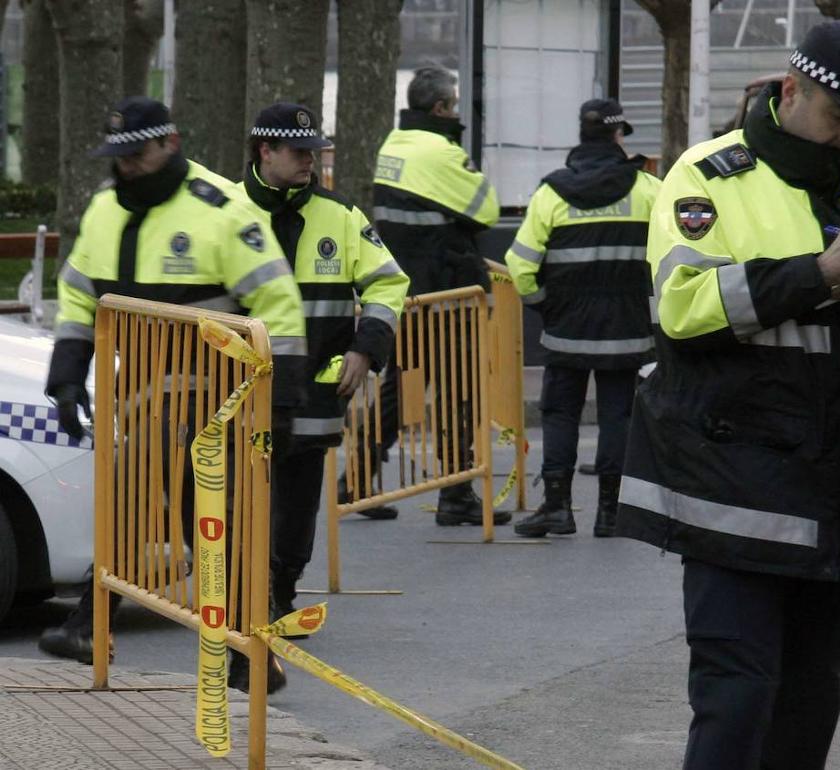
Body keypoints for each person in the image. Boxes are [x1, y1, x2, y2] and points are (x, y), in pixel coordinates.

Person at [614, 21, 840, 770]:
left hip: (838, 502)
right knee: (737, 699)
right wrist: (817, 274)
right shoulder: (706, 177)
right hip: (734, 495)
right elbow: (684, 309)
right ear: (790, 91)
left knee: (809, 705)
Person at [39, 96, 307, 693]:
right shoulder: (105, 209)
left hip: (217, 399)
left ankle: (246, 651)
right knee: (132, 509)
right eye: (120, 157)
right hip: (141, 396)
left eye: (139, 154)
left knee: (218, 523)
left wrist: (282, 403)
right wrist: (64, 376)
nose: (128, 166)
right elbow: (79, 300)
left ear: (171, 143)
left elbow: (279, 308)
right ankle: (102, 626)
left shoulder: (220, 211)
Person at [238, 103, 408, 630]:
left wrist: (366, 347)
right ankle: (248, 593)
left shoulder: (340, 215)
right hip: (239, 389)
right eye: (298, 152)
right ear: (265, 151)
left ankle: (280, 589)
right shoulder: (226, 214)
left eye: (314, 151)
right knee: (240, 497)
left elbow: (387, 283)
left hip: (313, 390)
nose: (310, 161)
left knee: (296, 502)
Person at [356, 65, 509, 525]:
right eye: (454, 105)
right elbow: (487, 208)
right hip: (447, 293)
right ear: (441, 108)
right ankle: (456, 493)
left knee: (399, 388)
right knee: (457, 392)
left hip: (407, 293)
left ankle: (359, 478)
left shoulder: (393, 144)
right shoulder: (440, 152)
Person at [505, 99, 659, 538]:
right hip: (626, 331)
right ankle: (611, 512)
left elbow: (519, 266)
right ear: (617, 136)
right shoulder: (647, 189)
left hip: (567, 329)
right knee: (618, 416)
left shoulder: (552, 192)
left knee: (560, 413)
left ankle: (557, 506)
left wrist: (544, 304)